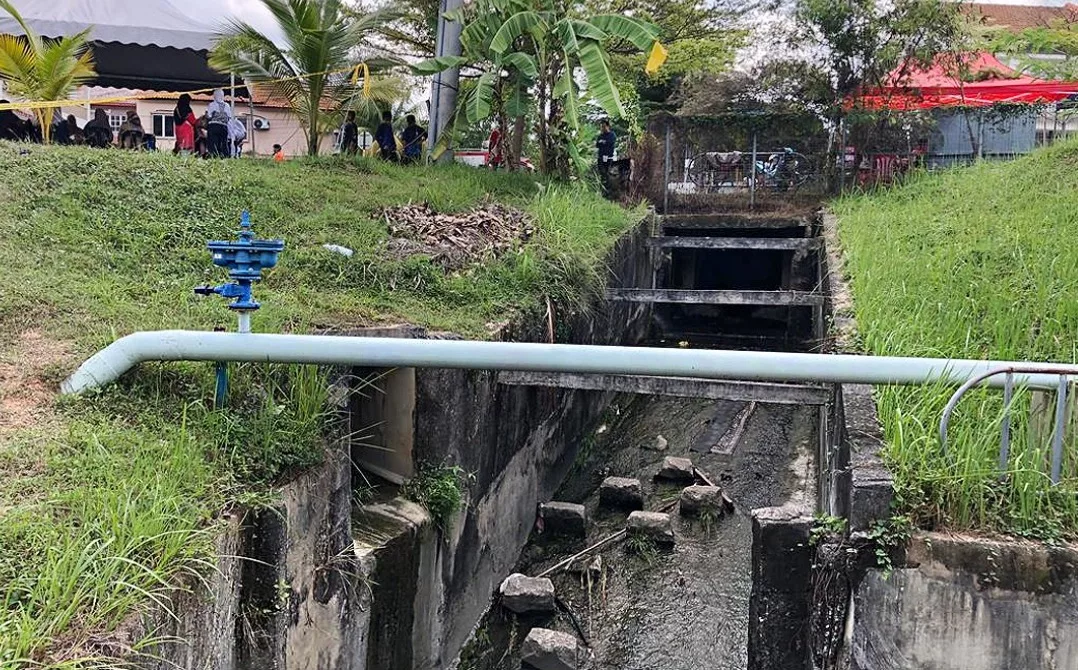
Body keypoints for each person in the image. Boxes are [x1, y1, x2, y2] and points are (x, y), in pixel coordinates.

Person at [206, 89, 232, 158]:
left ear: (214, 96)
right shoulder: (227, 105)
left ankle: (213, 157)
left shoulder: (211, 105)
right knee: (223, 143)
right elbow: (229, 117)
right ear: (223, 96)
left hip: (213, 126)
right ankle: (224, 157)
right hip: (223, 127)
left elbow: (208, 116)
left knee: (213, 143)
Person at [596, 119, 616, 191]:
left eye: (604, 126)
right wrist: (603, 142)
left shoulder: (612, 135)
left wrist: (603, 142)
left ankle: (609, 190)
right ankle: (602, 189)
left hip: (609, 158)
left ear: (608, 126)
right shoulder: (600, 136)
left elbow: (610, 143)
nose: (602, 128)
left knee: (609, 174)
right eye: (601, 127)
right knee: (602, 173)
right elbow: (597, 144)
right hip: (601, 157)